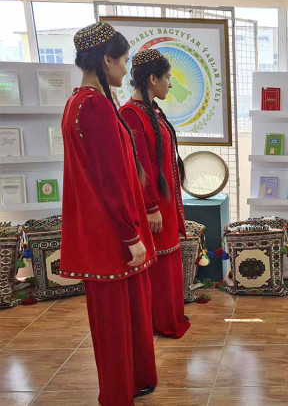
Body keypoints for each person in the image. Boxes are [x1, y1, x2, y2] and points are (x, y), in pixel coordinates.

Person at [59, 22, 157, 404]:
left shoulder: (77, 102)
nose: (125, 69)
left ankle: (132, 382)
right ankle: (118, 392)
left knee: (123, 318)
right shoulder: (96, 106)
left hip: (102, 231)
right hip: (112, 235)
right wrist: (131, 235)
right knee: (117, 322)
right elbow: (111, 179)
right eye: (124, 60)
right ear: (107, 60)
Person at [120, 49, 191, 338]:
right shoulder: (130, 114)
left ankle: (168, 317)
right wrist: (150, 207)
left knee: (167, 263)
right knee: (158, 266)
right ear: (152, 79)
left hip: (165, 202)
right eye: (167, 77)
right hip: (154, 207)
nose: (170, 84)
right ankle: (159, 322)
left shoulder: (152, 111)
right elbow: (141, 167)